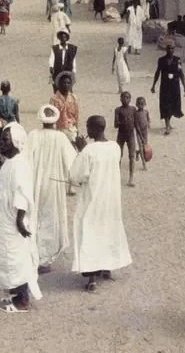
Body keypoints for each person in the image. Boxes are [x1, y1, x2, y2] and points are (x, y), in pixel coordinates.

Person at [70, 115, 132, 292]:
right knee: (108, 231)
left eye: (88, 127)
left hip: (93, 200)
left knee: (91, 232)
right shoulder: (114, 147)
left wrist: (81, 150)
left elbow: (76, 175)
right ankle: (107, 268)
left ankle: (91, 279)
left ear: (94, 129)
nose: (87, 130)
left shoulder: (89, 151)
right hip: (110, 199)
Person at [0, 122, 41, 313]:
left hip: (13, 220)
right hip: (4, 219)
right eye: (2, 139)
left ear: (16, 141)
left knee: (16, 257)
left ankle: (23, 301)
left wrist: (20, 220)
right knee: (7, 256)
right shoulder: (9, 162)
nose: (1, 142)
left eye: (6, 140)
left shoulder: (19, 164)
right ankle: (16, 293)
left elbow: (22, 194)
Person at [25, 105, 76, 273]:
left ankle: (34, 255)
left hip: (35, 183)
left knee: (34, 216)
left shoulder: (33, 135)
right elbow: (71, 162)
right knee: (50, 217)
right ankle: (44, 259)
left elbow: (25, 160)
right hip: (54, 185)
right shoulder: (60, 138)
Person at [150, 41, 185, 135]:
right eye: (169, 48)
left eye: (172, 48)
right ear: (166, 49)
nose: (170, 50)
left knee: (174, 104)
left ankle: (168, 122)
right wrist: (153, 85)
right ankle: (167, 126)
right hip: (165, 86)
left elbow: (181, 73)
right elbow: (157, 72)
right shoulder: (161, 60)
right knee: (165, 104)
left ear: (174, 49)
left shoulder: (177, 60)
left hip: (175, 85)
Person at [114, 92, 138, 187]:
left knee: (132, 156)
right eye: (124, 97)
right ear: (120, 99)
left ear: (130, 99)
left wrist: (140, 137)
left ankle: (131, 177)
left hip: (131, 135)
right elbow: (115, 124)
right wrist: (123, 122)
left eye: (127, 97)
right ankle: (116, 176)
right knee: (118, 156)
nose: (125, 99)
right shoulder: (118, 110)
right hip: (121, 135)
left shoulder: (133, 109)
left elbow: (136, 124)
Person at [49, 72, 80, 144]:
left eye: (68, 83)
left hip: (71, 130)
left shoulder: (74, 98)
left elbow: (77, 115)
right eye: (64, 83)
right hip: (58, 130)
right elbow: (51, 116)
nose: (66, 85)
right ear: (59, 84)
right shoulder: (54, 99)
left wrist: (77, 129)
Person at [134, 97, 150, 165]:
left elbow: (148, 118)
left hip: (145, 131)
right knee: (140, 145)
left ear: (145, 104)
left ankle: (137, 152)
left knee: (144, 146)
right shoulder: (136, 113)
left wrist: (148, 124)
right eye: (139, 104)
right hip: (139, 132)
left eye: (142, 104)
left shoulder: (146, 112)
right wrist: (141, 136)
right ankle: (143, 163)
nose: (141, 105)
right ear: (136, 104)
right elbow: (137, 126)